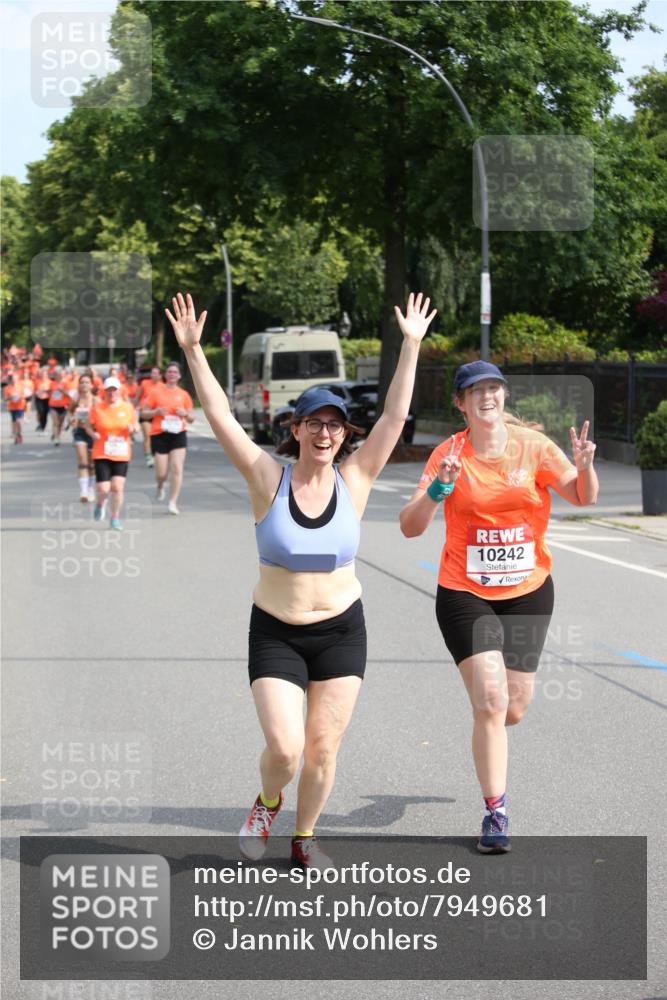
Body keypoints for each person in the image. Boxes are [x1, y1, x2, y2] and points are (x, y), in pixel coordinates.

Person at [165, 290, 436, 867]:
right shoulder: (267, 478)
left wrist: (410, 345)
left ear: (344, 434)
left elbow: (392, 416)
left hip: (342, 630)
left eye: (335, 426)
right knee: (286, 751)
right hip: (277, 632)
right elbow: (218, 415)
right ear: (296, 427)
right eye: (315, 422)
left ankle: (304, 834)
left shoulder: (356, 478)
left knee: (322, 750)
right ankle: (267, 802)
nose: (325, 434)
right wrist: (193, 353)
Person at [399, 360, 599, 854]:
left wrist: (586, 465)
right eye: (476, 390)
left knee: (512, 709)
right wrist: (441, 487)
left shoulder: (534, 447)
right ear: (461, 403)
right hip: (465, 593)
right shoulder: (449, 454)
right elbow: (410, 525)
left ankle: (488, 734)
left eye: (494, 388)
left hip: (529, 591)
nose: (487, 396)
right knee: (489, 702)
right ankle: (496, 813)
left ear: (504, 397)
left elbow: (581, 497)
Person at [82, 376, 138, 530]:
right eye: (109, 390)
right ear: (104, 392)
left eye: (114, 389)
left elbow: (136, 426)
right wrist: (93, 434)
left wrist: (133, 429)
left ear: (119, 391)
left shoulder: (127, 408)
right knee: (103, 489)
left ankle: (114, 517)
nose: (112, 393)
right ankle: (100, 504)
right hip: (102, 452)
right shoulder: (97, 408)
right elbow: (87, 426)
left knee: (117, 487)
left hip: (121, 453)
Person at [141, 361, 194, 515]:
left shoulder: (184, 395)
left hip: (178, 434)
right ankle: (160, 484)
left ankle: (172, 502)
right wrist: (156, 412)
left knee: (177, 468)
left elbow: (191, 418)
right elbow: (143, 413)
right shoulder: (156, 392)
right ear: (165, 375)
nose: (172, 374)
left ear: (179, 376)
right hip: (160, 434)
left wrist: (185, 414)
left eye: (175, 372)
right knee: (161, 473)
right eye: (169, 372)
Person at [67, 372, 97, 502]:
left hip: (93, 433)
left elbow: (102, 416)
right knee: (82, 460)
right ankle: (83, 491)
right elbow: (69, 412)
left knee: (92, 464)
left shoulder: (97, 400)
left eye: (87, 382)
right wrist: (72, 420)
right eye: (82, 382)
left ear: (91, 385)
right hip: (79, 432)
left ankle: (91, 488)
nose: (84, 385)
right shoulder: (76, 400)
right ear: (79, 385)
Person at [138, 366, 163, 467]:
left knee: (155, 436)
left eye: (156, 373)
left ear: (160, 376)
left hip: (157, 413)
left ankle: (155, 454)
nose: (153, 375)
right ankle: (148, 457)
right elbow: (137, 397)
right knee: (147, 435)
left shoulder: (163, 386)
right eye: (152, 373)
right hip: (145, 413)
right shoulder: (144, 383)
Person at [3, 373, 26, 444]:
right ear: (10, 380)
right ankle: (16, 436)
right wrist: (10, 397)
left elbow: (24, 395)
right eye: (13, 379)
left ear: (17, 380)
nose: (14, 381)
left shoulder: (21, 386)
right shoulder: (7, 388)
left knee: (18, 421)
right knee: (14, 422)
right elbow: (5, 398)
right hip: (12, 407)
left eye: (15, 379)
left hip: (20, 406)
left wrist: (19, 397)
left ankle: (19, 434)